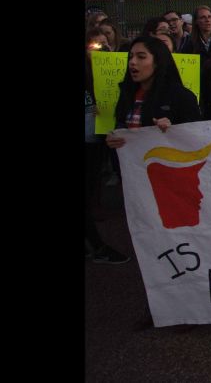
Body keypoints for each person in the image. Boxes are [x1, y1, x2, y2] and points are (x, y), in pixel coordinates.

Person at [85, 29, 129, 264]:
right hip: (87, 136)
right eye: (95, 46)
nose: (100, 49)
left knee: (91, 188)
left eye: (105, 45)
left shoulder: (113, 72)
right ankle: (98, 245)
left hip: (99, 138)